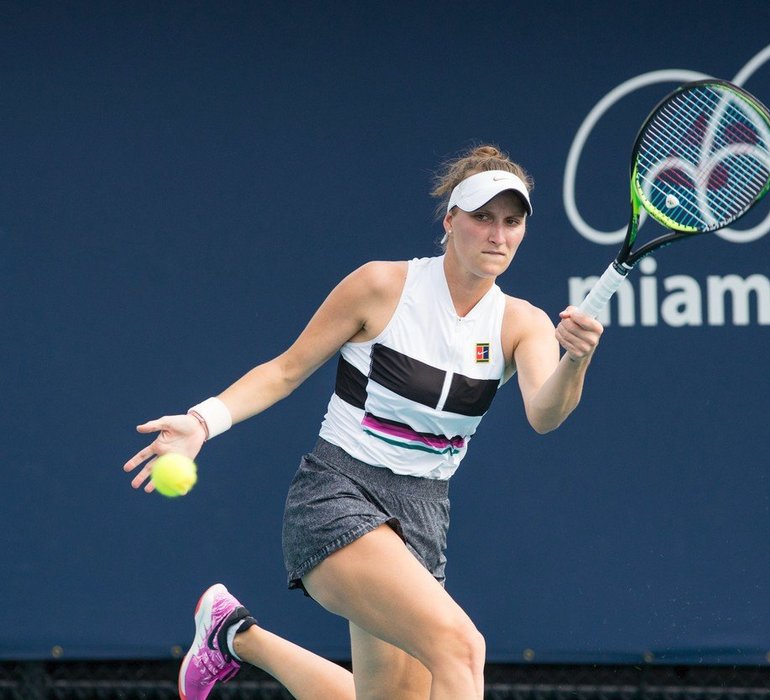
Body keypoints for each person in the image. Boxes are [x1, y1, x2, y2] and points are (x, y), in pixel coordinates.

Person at [123, 144, 604, 700]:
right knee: (462, 648)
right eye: (482, 218)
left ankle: (234, 636)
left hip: (425, 515)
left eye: (512, 222)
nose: (498, 235)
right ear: (450, 220)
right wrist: (201, 422)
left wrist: (577, 360)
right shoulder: (381, 286)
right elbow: (284, 371)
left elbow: (546, 414)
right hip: (339, 494)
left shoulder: (524, 323)